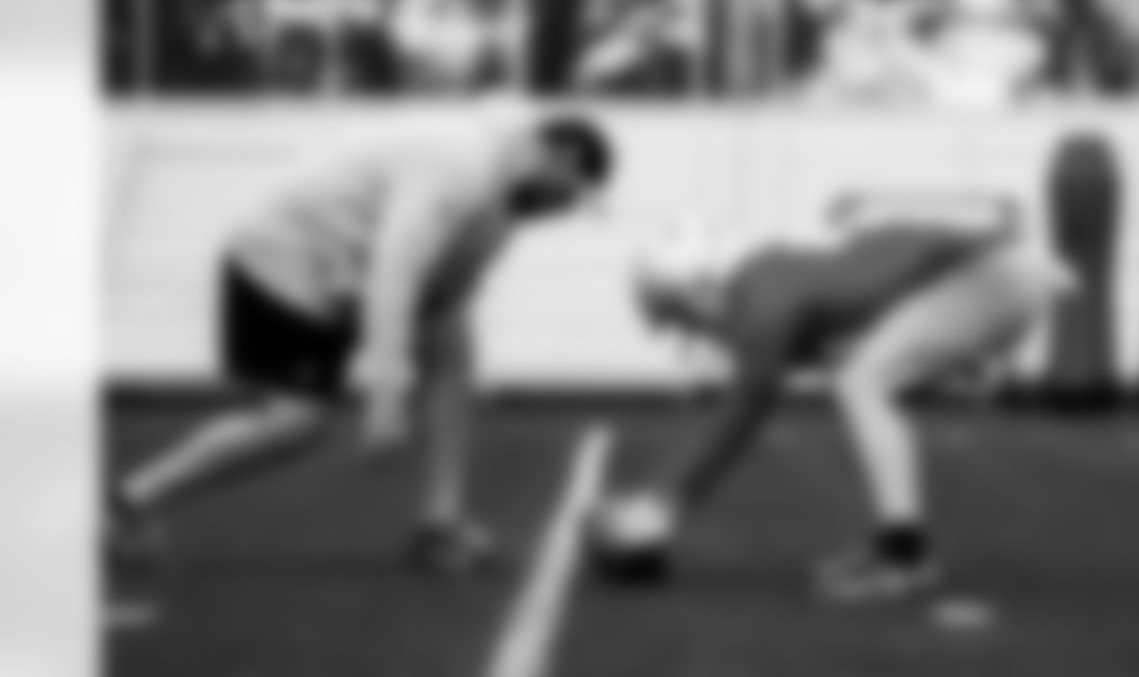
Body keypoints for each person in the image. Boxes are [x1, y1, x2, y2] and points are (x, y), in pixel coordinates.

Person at [109, 104, 613, 573]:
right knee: (296, 422)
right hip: (280, 261)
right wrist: (385, 393)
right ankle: (129, 499)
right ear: (559, 159)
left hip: (340, 269)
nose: (566, 210)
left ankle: (440, 525)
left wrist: (429, 353)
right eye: (571, 194)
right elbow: (395, 270)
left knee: (455, 347)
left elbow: (446, 294)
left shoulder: (504, 204)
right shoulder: (461, 166)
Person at [591, 195, 1075, 600]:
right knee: (862, 374)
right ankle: (898, 548)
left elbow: (744, 412)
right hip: (991, 271)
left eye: (679, 314)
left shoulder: (762, 298)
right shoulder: (768, 277)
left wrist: (664, 502)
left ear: (701, 285)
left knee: (862, 381)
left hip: (989, 276)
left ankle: (903, 555)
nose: (690, 330)